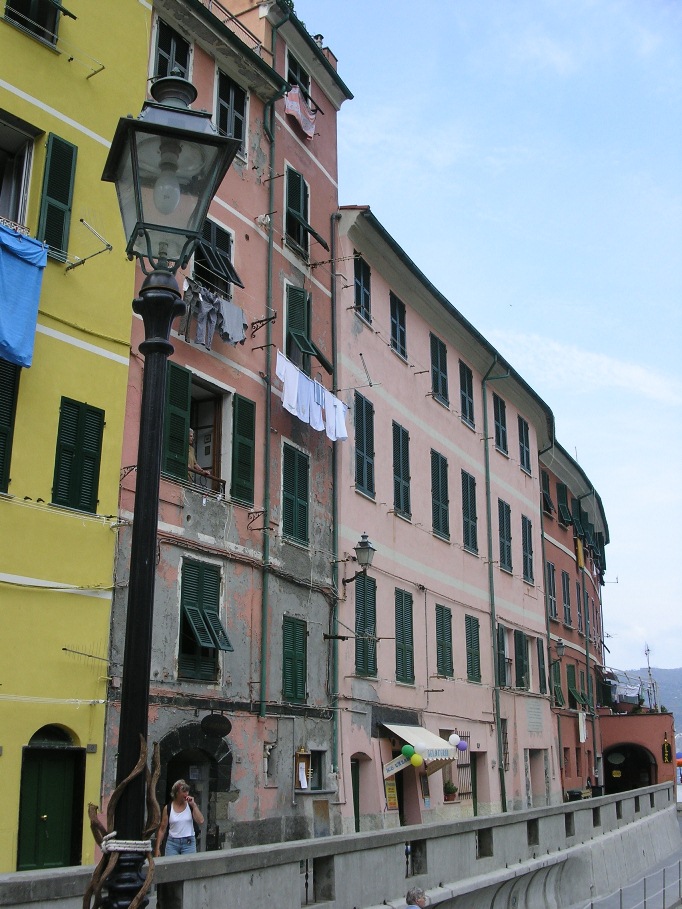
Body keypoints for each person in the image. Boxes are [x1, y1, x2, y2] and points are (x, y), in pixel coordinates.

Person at [154, 779, 204, 857]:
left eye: (187, 791)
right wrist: (157, 848)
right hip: (173, 843)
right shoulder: (168, 808)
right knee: (171, 866)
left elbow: (201, 821)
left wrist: (194, 805)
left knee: (188, 866)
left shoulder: (190, 806)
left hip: (188, 842)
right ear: (177, 793)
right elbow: (162, 829)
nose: (186, 794)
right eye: (183, 791)